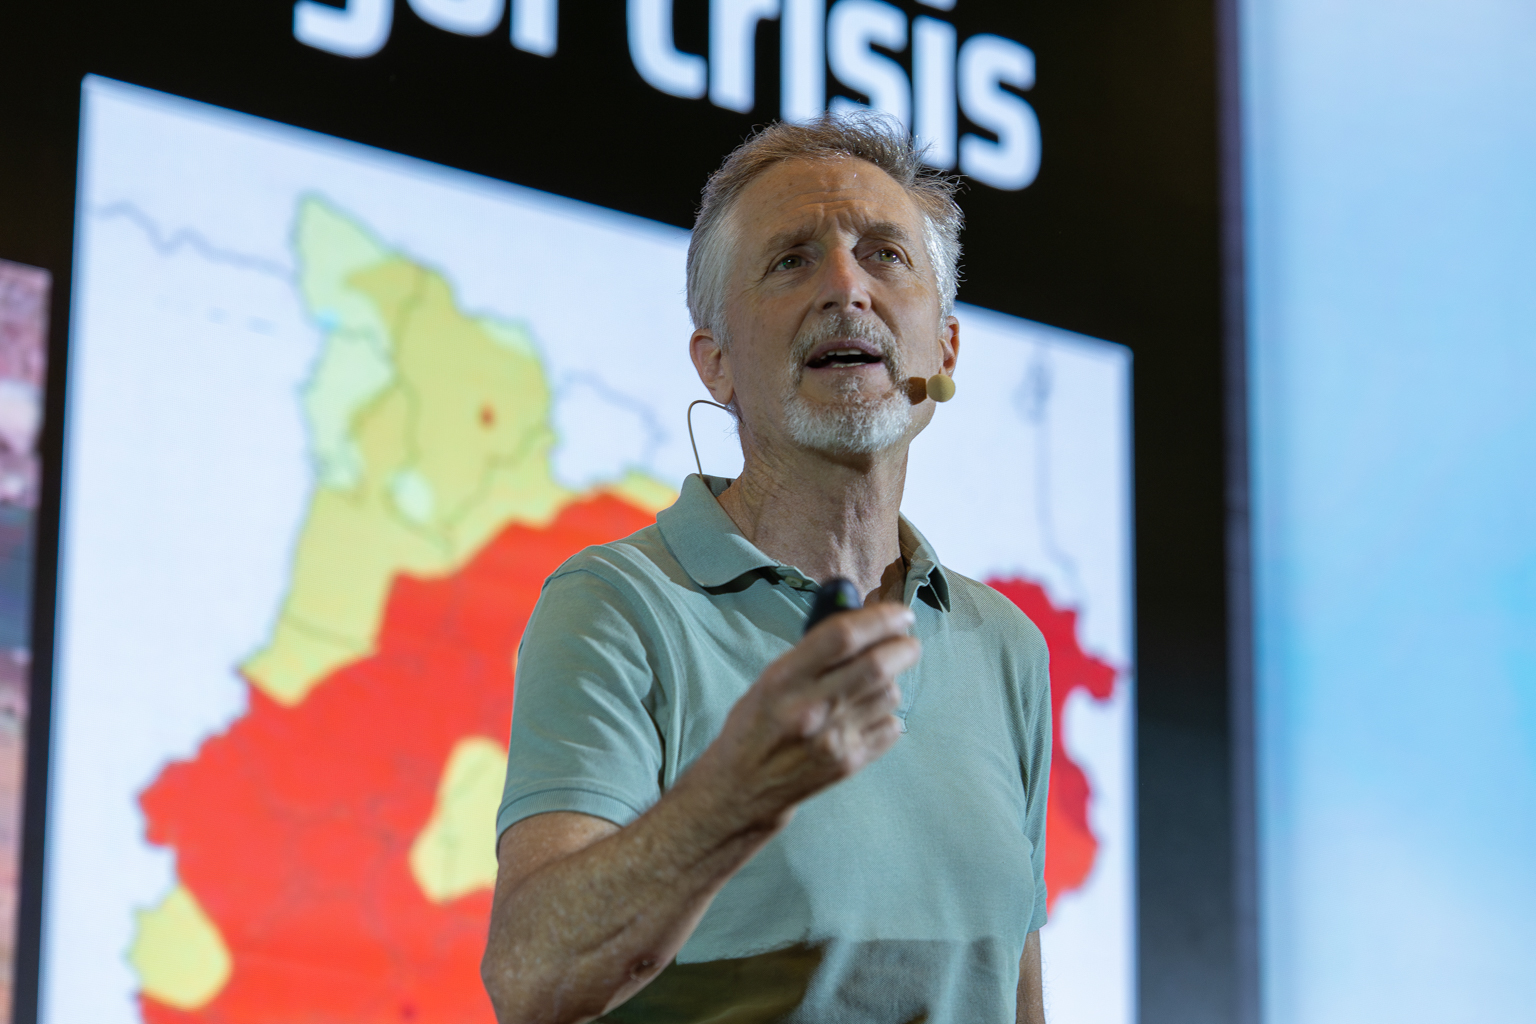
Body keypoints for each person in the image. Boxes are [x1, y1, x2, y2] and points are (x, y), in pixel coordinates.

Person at [480, 114, 1051, 1023]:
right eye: (790, 260)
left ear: (944, 348)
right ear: (717, 362)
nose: (845, 289)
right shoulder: (620, 607)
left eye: (885, 255)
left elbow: (1016, 996)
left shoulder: (1006, 646)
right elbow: (532, 976)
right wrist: (742, 789)